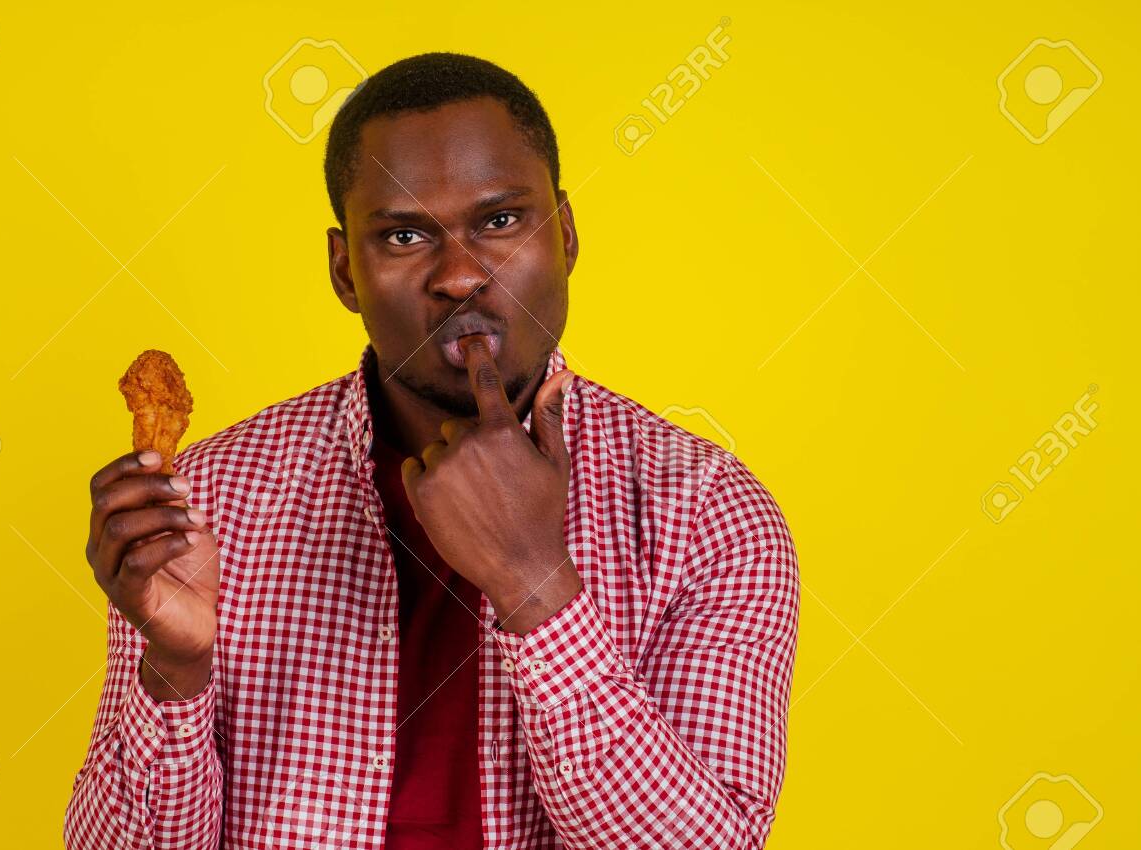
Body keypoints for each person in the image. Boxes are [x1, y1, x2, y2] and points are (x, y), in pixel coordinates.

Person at [65, 51, 799, 850]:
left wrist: (536, 585)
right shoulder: (206, 500)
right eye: (406, 234)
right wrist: (174, 666)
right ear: (346, 272)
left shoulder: (708, 513)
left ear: (568, 234)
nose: (459, 276)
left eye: (500, 221)